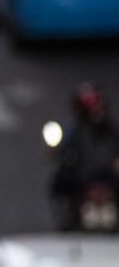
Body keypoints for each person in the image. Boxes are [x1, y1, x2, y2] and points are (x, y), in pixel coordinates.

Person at [50, 82, 119, 226]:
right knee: (59, 182)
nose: (96, 112)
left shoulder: (111, 130)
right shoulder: (75, 131)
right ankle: (66, 216)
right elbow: (62, 150)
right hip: (84, 180)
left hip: (107, 178)